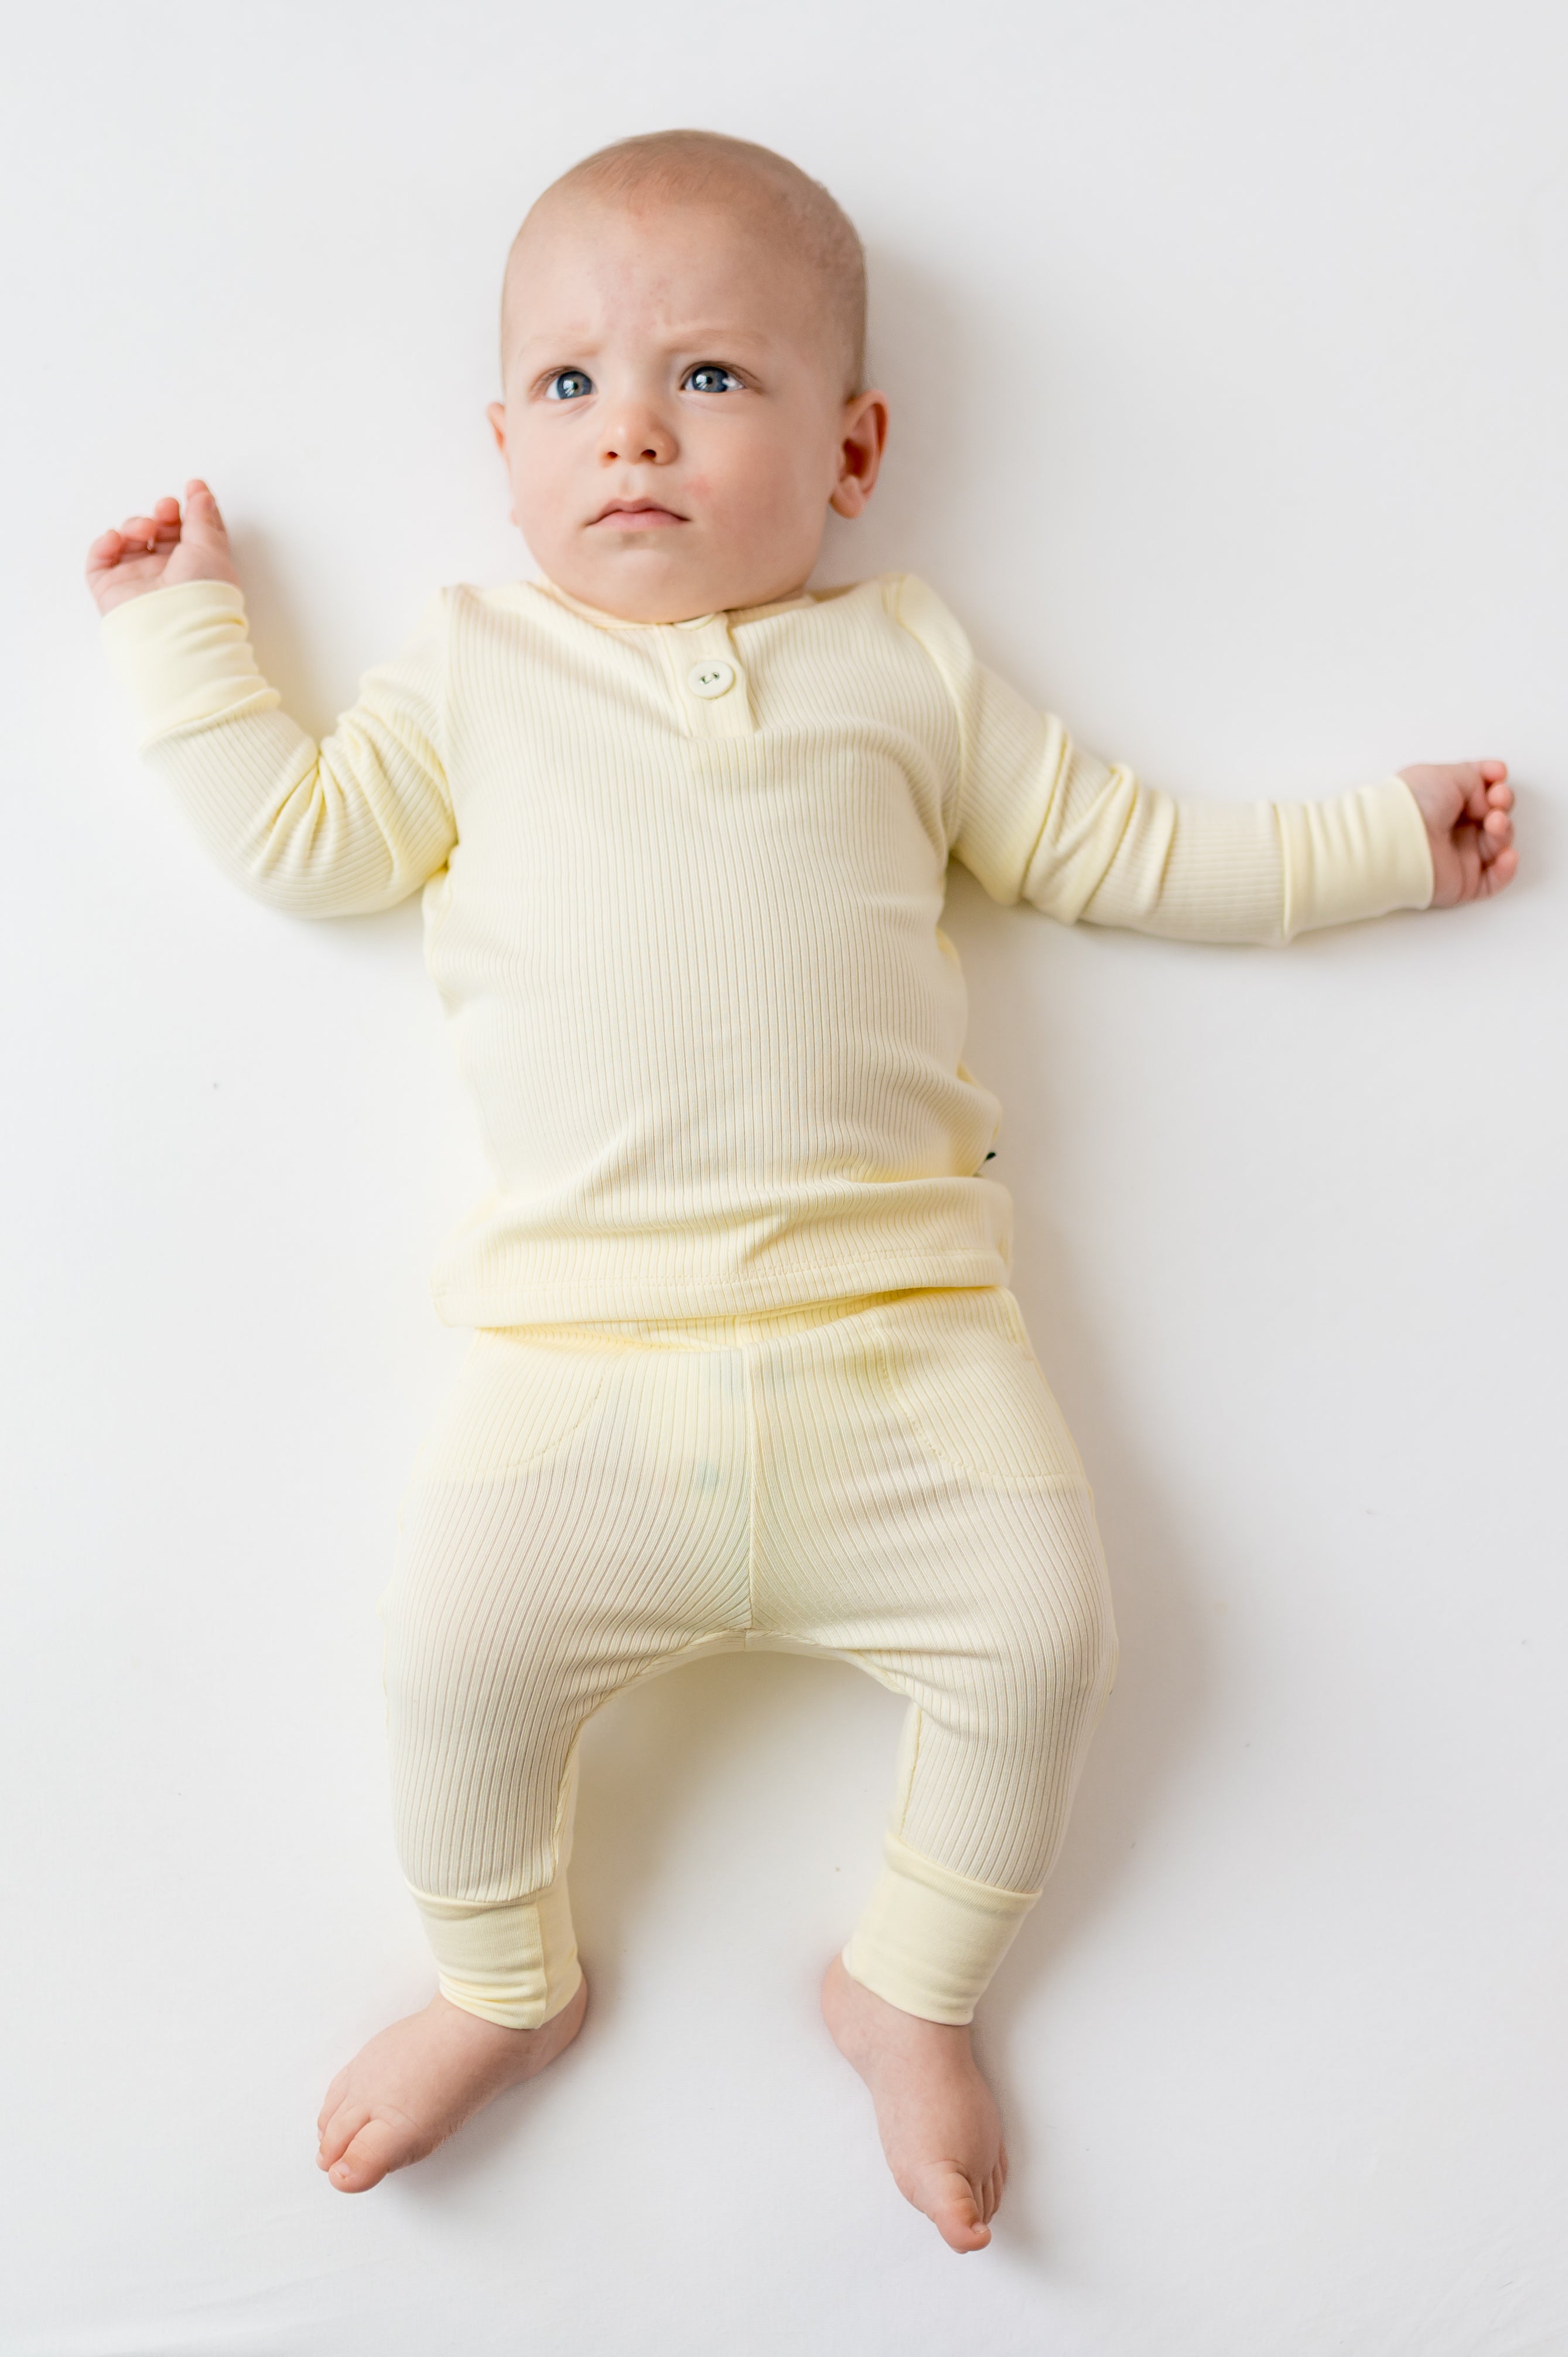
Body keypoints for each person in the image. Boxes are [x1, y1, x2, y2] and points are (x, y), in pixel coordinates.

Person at [86, 129, 1516, 2255]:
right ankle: (507, 1981)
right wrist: (182, 632)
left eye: (712, 381)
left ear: (851, 445)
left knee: (1046, 1641)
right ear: (499, 450)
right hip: (580, 1373)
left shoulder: (909, 666)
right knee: (448, 1668)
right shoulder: (474, 668)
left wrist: (1377, 846)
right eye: (569, 388)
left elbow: (1124, 851)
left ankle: (903, 1990)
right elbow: (306, 841)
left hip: (903, 1360)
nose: (635, 429)